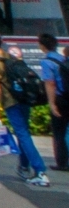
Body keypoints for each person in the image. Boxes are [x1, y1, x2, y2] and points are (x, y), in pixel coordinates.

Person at [0, 28, 50, 186]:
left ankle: (40, 170)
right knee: (24, 133)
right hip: (24, 99)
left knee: (22, 135)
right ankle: (23, 166)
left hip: (11, 102)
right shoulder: (10, 56)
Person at [39, 33, 69, 172]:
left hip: (60, 99)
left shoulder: (47, 62)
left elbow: (50, 84)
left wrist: (52, 103)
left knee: (59, 132)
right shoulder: (63, 58)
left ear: (42, 46)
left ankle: (62, 162)